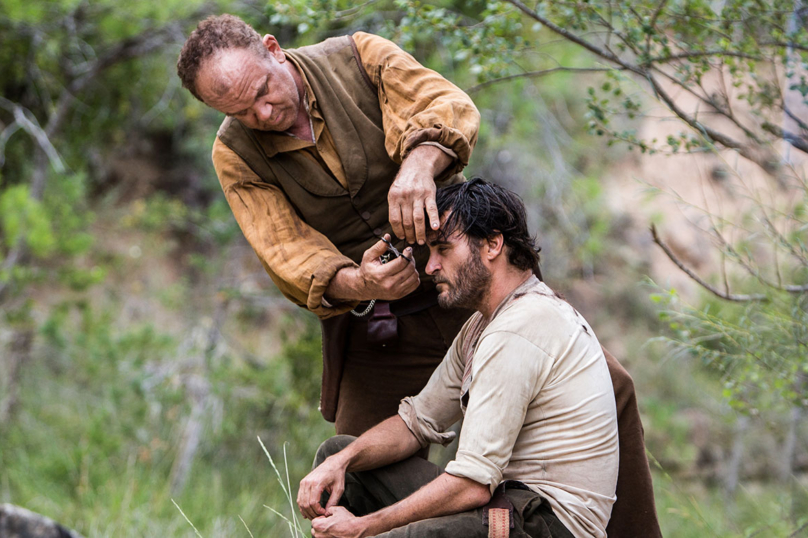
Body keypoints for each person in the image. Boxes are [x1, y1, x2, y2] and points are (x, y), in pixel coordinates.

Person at [176, 14, 480, 437]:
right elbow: (286, 252)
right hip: (383, 325)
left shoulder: (358, 56)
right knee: (351, 471)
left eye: (263, 91)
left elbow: (445, 103)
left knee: (598, 390)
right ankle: (435, 506)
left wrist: (419, 164)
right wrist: (361, 283)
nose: (263, 113)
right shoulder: (234, 153)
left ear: (273, 48)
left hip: (476, 282)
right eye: (242, 112)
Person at [296, 179, 620, 537]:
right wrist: (342, 462)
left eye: (443, 250)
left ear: (493, 244)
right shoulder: (481, 326)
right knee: (341, 454)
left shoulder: (519, 327)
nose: (430, 267)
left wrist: (364, 527)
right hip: (504, 504)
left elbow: (472, 484)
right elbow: (415, 422)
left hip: (546, 524)